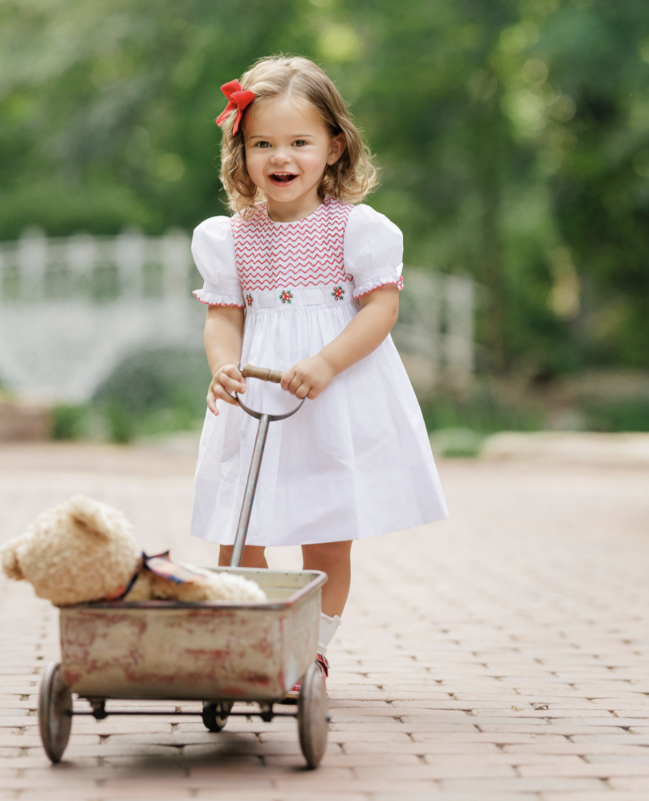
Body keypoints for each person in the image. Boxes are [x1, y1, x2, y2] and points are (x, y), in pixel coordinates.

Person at [189, 56, 448, 693]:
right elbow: (223, 319)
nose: (282, 157)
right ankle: (254, 638)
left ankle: (311, 646)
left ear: (334, 147)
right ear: (241, 152)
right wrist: (224, 365)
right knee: (238, 527)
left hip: (333, 390)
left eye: (299, 142)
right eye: (263, 144)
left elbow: (381, 309)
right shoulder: (230, 238)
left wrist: (329, 359)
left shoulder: (356, 230)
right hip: (259, 395)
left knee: (327, 534)